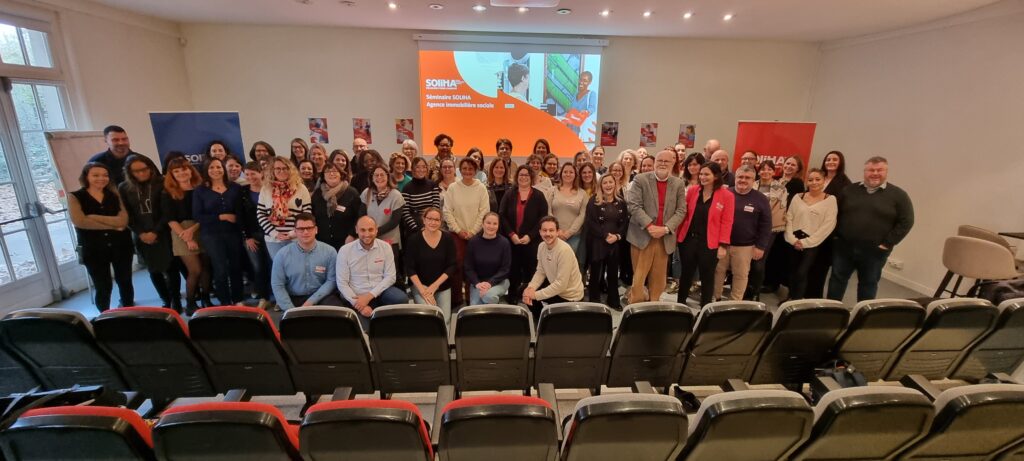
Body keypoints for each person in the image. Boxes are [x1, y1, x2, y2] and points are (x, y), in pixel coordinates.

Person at [827, 157, 914, 301]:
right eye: (871, 170)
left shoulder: (899, 195)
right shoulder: (848, 190)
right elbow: (835, 214)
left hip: (875, 251)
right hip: (844, 247)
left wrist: (887, 243)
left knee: (868, 284)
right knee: (837, 279)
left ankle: (862, 317)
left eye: (879, 170)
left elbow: (907, 221)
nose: (875, 173)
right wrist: (836, 236)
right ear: (864, 171)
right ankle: (831, 313)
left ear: (886, 171)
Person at [69, 162, 134, 311]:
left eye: (105, 175)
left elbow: (123, 221)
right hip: (93, 249)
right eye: (96, 175)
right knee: (103, 286)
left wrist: (93, 216)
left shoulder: (115, 194)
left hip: (121, 245)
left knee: (125, 281)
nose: (101, 178)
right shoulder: (75, 196)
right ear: (86, 176)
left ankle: (129, 311)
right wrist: (113, 225)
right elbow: (80, 221)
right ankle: (104, 316)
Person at [626, 149, 687, 304]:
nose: (662, 164)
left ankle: (653, 306)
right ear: (654, 163)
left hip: (664, 237)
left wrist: (665, 229)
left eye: (667, 161)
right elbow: (633, 205)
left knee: (659, 279)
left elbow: (681, 210)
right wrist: (649, 225)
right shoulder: (640, 179)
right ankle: (636, 308)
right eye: (659, 161)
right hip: (642, 235)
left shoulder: (678, 183)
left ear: (673, 163)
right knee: (638, 279)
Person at [119, 155, 179, 311]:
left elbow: (167, 212)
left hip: (163, 231)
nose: (141, 173)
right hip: (140, 235)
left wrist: (155, 231)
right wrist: (141, 233)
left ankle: (176, 301)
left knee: (170, 267)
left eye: (144, 169)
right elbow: (127, 214)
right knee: (153, 269)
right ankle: (165, 300)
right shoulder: (124, 188)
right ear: (129, 172)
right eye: (136, 171)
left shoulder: (162, 183)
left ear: (150, 168)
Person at [676, 162, 734, 307]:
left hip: (710, 243)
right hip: (688, 240)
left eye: (706, 174)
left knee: (707, 277)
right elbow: (684, 215)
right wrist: (677, 236)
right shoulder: (693, 190)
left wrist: (723, 245)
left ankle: (705, 308)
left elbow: (727, 222)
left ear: (716, 176)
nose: (702, 177)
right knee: (686, 275)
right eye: (701, 174)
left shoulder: (727, 195)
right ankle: (680, 304)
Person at [336, 216, 409, 329]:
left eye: (370, 229)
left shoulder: (385, 247)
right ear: (356, 230)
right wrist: (360, 305)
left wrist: (369, 296)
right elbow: (342, 283)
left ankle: (388, 321)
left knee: (401, 299)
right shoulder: (345, 250)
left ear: (376, 230)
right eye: (362, 230)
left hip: (379, 291)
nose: (367, 234)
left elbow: (390, 277)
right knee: (365, 329)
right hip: (356, 294)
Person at [713, 166, 771, 301]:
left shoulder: (761, 199)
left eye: (747, 178)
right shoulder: (725, 194)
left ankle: (735, 302)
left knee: (741, 275)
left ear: (753, 180)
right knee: (717, 272)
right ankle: (715, 299)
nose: (743, 180)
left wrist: (760, 246)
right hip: (721, 244)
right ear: (735, 178)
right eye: (740, 177)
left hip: (745, 246)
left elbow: (766, 225)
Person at [192, 158, 246, 305]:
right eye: (211, 168)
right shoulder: (200, 191)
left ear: (223, 169)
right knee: (220, 268)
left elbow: (241, 211)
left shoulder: (235, 188)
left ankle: (238, 299)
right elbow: (197, 215)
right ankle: (225, 302)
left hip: (233, 233)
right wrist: (221, 216)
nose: (216, 170)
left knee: (236, 266)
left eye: (218, 167)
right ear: (206, 171)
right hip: (211, 235)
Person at [162, 157, 211, 312]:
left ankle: (206, 299)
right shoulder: (168, 193)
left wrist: (193, 230)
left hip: (202, 228)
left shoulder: (201, 188)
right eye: (176, 171)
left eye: (184, 169)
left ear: (190, 169)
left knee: (206, 268)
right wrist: (186, 236)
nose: (181, 173)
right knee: (195, 270)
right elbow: (170, 219)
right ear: (172, 175)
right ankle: (190, 303)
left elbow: (206, 213)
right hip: (180, 232)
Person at [270, 212, 343, 310]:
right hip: (294, 298)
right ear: (295, 231)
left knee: (337, 313)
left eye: (309, 228)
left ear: (316, 230)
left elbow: (331, 280)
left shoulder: (330, 252)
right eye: (300, 229)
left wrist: (311, 301)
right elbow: (277, 285)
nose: (305, 232)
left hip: (322, 296)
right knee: (296, 322)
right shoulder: (282, 255)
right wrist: (290, 310)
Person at [443, 157, 490, 306]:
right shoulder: (453, 188)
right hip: (456, 235)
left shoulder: (481, 188)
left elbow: (484, 211)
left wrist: (473, 231)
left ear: (475, 171)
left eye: (471, 169)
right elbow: (447, 211)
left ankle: (471, 299)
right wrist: (459, 230)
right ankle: (456, 299)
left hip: (476, 235)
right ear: (460, 170)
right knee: (457, 266)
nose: (467, 171)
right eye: (464, 168)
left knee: (473, 267)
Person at [785, 168, 838, 300]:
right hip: (793, 239)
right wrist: (792, 239)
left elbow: (828, 225)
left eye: (817, 179)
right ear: (806, 181)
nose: (814, 182)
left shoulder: (830, 200)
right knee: (792, 271)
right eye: (810, 180)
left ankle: (796, 301)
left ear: (823, 181)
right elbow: (789, 217)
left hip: (812, 243)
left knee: (802, 273)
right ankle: (790, 297)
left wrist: (806, 242)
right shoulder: (798, 197)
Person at [499, 165, 548, 303]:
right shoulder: (509, 194)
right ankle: (513, 296)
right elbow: (502, 216)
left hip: (531, 241)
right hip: (512, 240)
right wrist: (511, 234)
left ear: (531, 177)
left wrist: (530, 236)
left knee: (531, 270)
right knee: (513, 269)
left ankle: (529, 296)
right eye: (521, 174)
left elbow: (542, 218)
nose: (524, 177)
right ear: (516, 177)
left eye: (527, 175)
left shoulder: (539, 196)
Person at [522, 216, 585, 319]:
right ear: (540, 232)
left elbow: (561, 285)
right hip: (556, 287)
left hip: (570, 297)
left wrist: (536, 295)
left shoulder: (564, 250)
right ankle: (541, 320)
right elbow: (540, 272)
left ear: (557, 232)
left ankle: (551, 320)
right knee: (524, 290)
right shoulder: (541, 246)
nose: (547, 234)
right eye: (544, 230)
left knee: (533, 296)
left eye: (551, 230)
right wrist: (530, 289)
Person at [404, 207, 456, 323]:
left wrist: (435, 286)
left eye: (437, 220)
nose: (433, 222)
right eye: (430, 219)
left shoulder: (447, 238)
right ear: (424, 219)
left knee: (444, 318)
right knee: (429, 315)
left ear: (441, 222)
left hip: (442, 286)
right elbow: (410, 269)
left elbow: (452, 265)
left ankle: (444, 341)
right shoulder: (413, 240)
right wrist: (423, 290)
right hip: (421, 286)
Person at [746, 160, 788, 300]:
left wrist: (763, 221)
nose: (765, 172)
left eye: (769, 169)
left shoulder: (781, 188)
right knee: (747, 261)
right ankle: (747, 289)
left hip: (769, 230)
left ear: (773, 171)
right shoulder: (752, 184)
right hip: (750, 228)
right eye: (763, 169)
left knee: (759, 262)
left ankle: (756, 292)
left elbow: (779, 211)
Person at [586, 174, 628, 309]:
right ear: (600, 186)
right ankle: (594, 300)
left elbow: (624, 223)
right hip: (598, 242)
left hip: (615, 243)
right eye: (605, 183)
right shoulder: (593, 201)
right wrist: (605, 235)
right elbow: (591, 223)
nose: (608, 185)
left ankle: (613, 300)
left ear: (615, 184)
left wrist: (617, 236)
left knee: (613, 273)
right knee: (596, 274)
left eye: (611, 182)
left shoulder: (621, 202)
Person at [258, 157, 313, 258]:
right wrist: (275, 233)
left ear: (290, 170)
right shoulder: (266, 189)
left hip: (296, 238)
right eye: (278, 168)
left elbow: (307, 214)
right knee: (279, 269)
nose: (281, 171)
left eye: (285, 168)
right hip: (273, 239)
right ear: (272, 171)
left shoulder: (301, 188)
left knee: (298, 269)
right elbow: (261, 214)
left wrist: (294, 232)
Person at [240, 161, 272, 308]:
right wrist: (247, 237)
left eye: (253, 173)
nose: (250, 177)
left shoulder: (270, 189)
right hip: (252, 235)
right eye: (247, 174)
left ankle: (276, 296)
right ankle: (263, 297)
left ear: (261, 173)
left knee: (273, 265)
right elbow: (240, 216)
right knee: (258, 267)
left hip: (271, 234)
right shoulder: (243, 192)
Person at [312, 163, 362, 250]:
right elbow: (312, 216)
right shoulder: (317, 194)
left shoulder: (352, 193)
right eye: (327, 171)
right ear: (323, 176)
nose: (331, 174)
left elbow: (360, 216)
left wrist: (352, 234)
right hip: (321, 244)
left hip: (346, 243)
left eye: (335, 171)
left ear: (341, 174)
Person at [466, 212, 511, 305]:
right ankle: (497, 305)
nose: (491, 226)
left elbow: (505, 269)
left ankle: (496, 310)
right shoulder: (473, 242)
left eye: (495, 224)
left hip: (499, 282)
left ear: (498, 225)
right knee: (474, 312)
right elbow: (468, 268)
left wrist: (490, 283)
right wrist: (477, 283)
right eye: (488, 223)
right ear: (482, 224)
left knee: (488, 296)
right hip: (478, 284)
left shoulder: (504, 243)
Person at [546, 163, 588, 254]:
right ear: (561, 174)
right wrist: (557, 230)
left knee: (569, 265)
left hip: (574, 237)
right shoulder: (552, 191)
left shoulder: (582, 193)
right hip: (553, 234)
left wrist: (569, 233)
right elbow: (548, 211)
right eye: (565, 172)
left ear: (575, 175)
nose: (568, 174)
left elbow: (582, 215)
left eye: (571, 172)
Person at [401, 157, 442, 236]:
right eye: (418, 167)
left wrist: (430, 224)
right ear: (412, 169)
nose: (421, 169)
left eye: (424, 167)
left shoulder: (432, 185)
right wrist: (416, 228)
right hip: (415, 228)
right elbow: (405, 212)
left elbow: (436, 206)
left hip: (432, 224)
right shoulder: (407, 188)